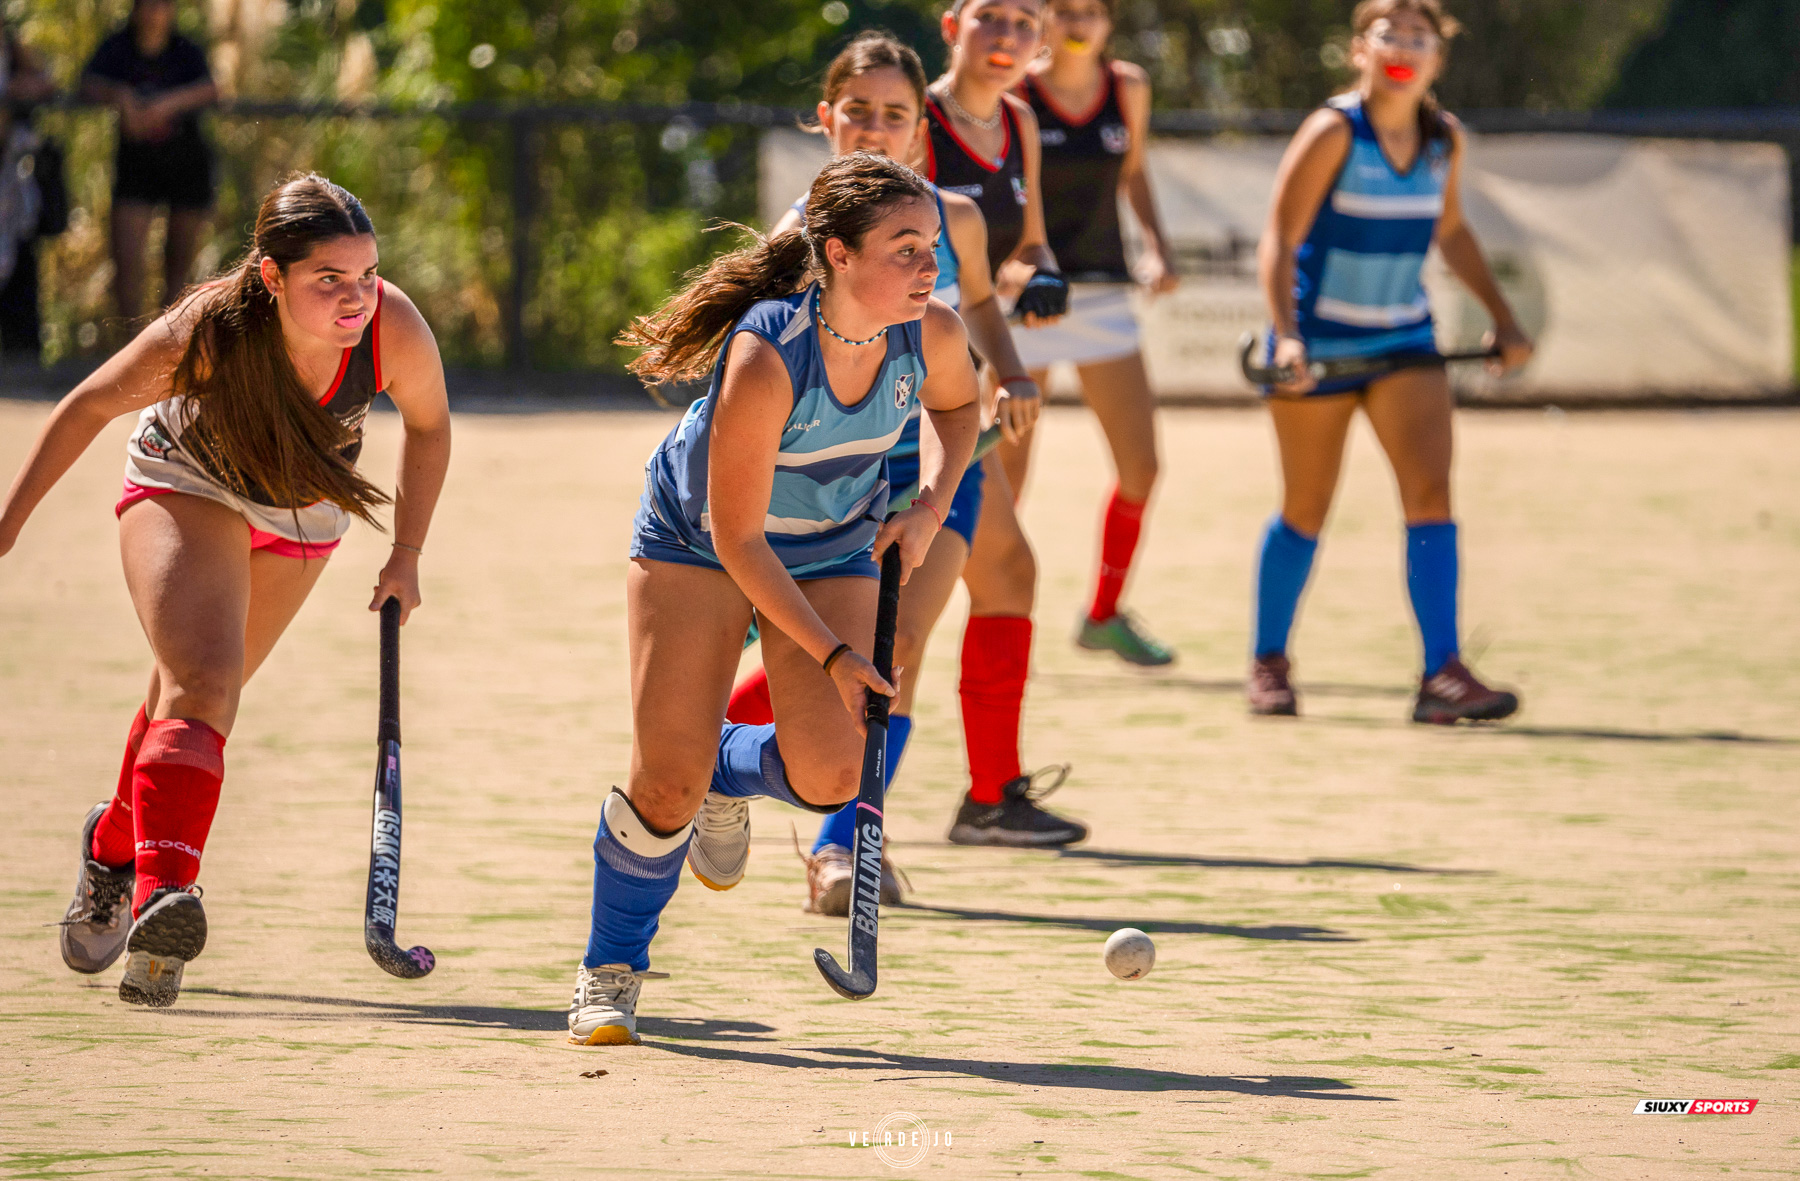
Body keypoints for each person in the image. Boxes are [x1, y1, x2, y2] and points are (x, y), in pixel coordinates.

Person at [0, 173, 452, 1008]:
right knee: (204, 683)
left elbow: (428, 424)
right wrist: (9, 523)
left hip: (303, 511)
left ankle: (113, 845)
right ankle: (166, 899)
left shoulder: (391, 325)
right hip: (189, 482)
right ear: (273, 277)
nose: (356, 297)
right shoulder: (209, 331)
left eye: (366, 273)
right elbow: (86, 405)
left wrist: (408, 553)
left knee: (189, 697)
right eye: (329, 279)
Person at [569, 151, 980, 1045]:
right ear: (836, 254)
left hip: (831, 540)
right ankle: (611, 969)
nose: (928, 267)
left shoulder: (930, 332)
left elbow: (959, 408)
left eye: (933, 247)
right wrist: (834, 655)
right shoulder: (767, 351)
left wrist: (930, 504)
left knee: (834, 772)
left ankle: (726, 765)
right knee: (664, 781)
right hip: (701, 542)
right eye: (905, 247)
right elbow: (738, 537)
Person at [711, 32, 1078, 920]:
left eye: (897, 114)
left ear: (924, 128)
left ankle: (844, 848)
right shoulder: (803, 235)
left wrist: (1014, 372)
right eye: (860, 111)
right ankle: (709, 745)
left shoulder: (956, 215)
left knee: (902, 647)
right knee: (861, 651)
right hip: (836, 484)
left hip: (942, 466)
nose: (877, 127)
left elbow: (980, 303)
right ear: (826, 119)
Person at [1250, 0, 1531, 723]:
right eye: (1389, 34)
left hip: (1406, 344)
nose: (1404, 47)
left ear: (1438, 58)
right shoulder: (1332, 130)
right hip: (1318, 350)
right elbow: (1280, 238)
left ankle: (1441, 673)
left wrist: (1503, 317)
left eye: (1420, 37)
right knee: (1305, 509)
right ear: (1359, 51)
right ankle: (1269, 662)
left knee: (1431, 499)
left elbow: (1453, 229)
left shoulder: (1445, 140)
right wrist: (1287, 336)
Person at [920, 0, 1092, 848]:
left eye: (1025, 23)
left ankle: (990, 796)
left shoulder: (1018, 121)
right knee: (884, 630)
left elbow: (1022, 246)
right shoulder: (910, 119)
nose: (1008, 37)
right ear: (952, 24)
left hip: (964, 387)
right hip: (902, 401)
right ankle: (711, 750)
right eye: (991, 16)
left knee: (1003, 577)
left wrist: (1041, 273)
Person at [1008, 0, 1180, 667]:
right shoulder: (1016, 91)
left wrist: (1158, 249)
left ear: (1109, 22)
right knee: (1006, 481)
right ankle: (997, 603)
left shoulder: (1128, 87)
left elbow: (1133, 171)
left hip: (1104, 297)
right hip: (1027, 299)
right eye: (1066, 9)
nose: (1079, 22)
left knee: (1142, 466)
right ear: (1044, 19)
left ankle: (1103, 614)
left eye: (1093, 11)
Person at [81, 0, 219, 326]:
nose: (156, 12)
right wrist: (119, 96)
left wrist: (166, 105)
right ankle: (130, 350)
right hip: (136, 166)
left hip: (187, 164)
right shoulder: (118, 47)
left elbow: (211, 89)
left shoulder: (185, 49)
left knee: (178, 264)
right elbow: (87, 84)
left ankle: (168, 346)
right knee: (127, 262)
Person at [0, 21, 57, 358]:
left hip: (12, 187)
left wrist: (23, 89)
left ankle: (24, 361)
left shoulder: (13, 47)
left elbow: (48, 82)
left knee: (19, 276)